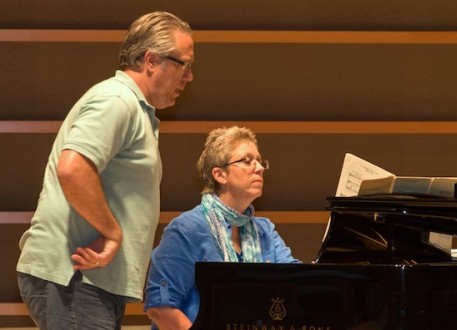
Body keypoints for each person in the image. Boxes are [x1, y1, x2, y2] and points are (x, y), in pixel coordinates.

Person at [16, 11, 194, 330]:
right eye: (184, 64)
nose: (189, 76)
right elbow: (72, 168)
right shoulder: (117, 100)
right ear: (151, 60)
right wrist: (112, 232)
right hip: (74, 279)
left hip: (88, 282)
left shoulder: (133, 108)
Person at [144, 126, 301, 329]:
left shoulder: (265, 231)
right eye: (247, 160)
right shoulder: (187, 230)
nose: (260, 168)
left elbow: (297, 284)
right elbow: (160, 308)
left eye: (259, 161)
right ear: (220, 175)